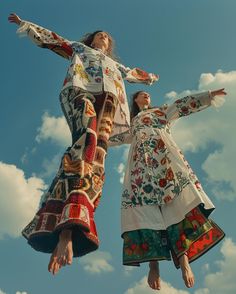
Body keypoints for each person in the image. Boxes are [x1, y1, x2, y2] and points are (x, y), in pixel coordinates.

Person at [8, 13, 158, 275]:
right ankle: (65, 228)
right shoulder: (80, 49)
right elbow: (53, 40)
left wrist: (149, 78)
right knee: (86, 140)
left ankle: (71, 224)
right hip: (80, 91)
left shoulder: (114, 64)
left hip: (109, 101)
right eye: (101, 34)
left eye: (108, 37)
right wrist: (25, 25)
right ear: (92, 38)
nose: (105, 37)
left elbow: (133, 73)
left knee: (97, 155)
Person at [109, 89, 226, 289]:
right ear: (135, 99)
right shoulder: (132, 123)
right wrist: (94, 138)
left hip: (164, 162)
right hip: (141, 167)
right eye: (142, 94)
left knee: (175, 208)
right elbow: (113, 138)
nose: (147, 96)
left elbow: (180, 106)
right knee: (146, 212)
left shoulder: (160, 113)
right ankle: (153, 266)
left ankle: (184, 262)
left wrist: (207, 96)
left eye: (148, 94)